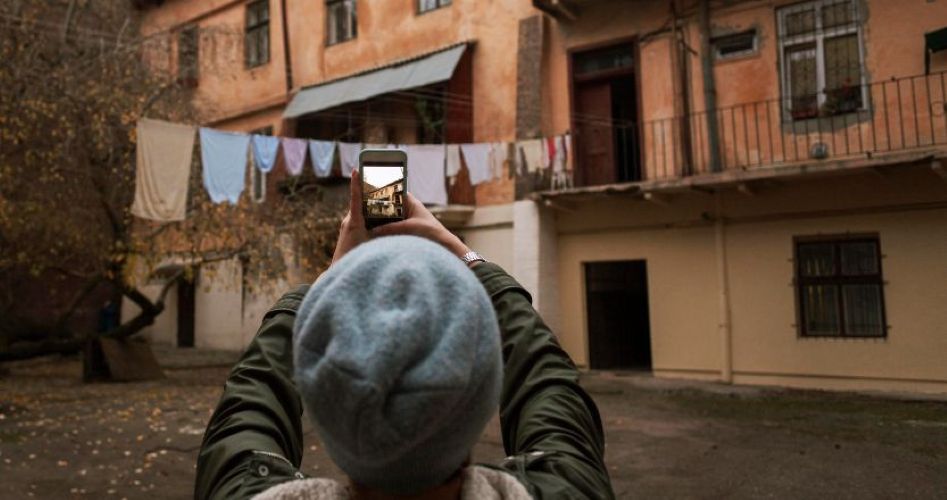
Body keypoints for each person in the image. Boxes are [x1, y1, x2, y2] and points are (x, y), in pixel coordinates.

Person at [194, 171, 614, 499]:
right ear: (486, 395)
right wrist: (458, 249)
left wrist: (329, 282)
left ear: (322, 402)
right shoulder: (571, 488)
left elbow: (249, 403)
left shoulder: (238, 492)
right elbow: (546, 377)